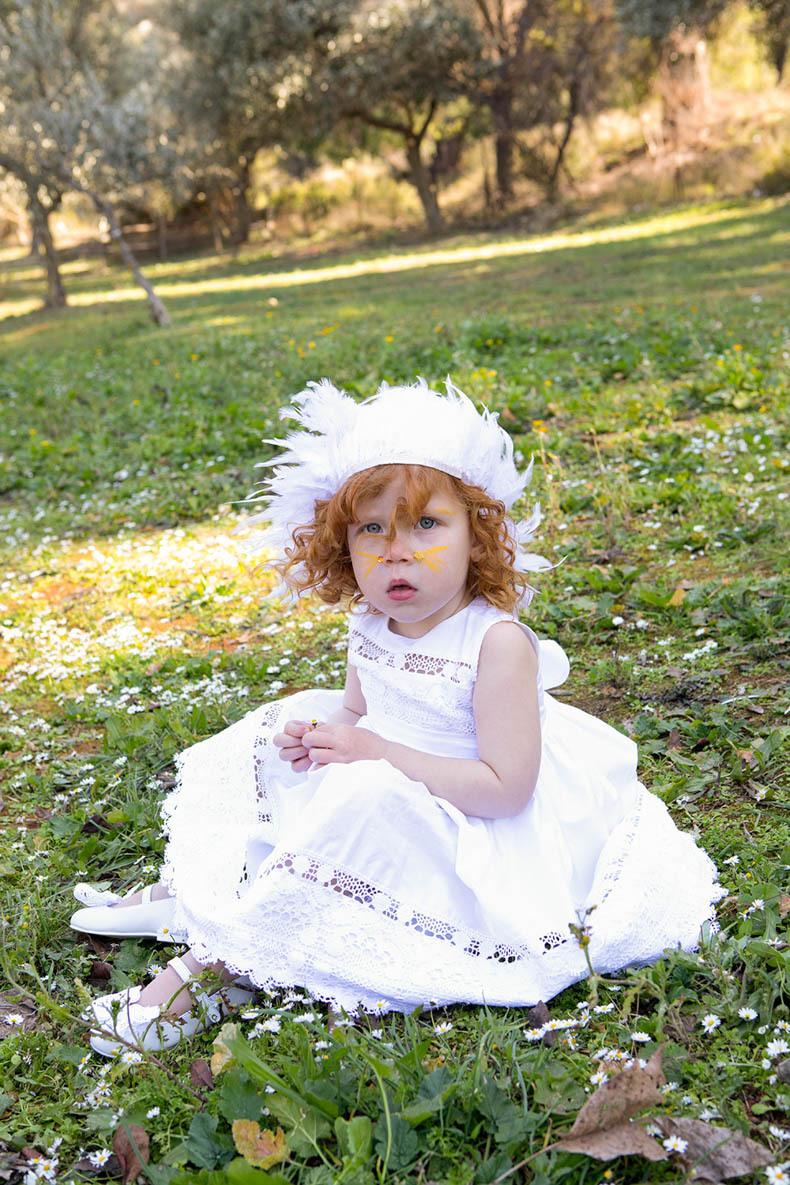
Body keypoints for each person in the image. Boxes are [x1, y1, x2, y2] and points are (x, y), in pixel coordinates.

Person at [75, 378, 723, 1057]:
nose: (397, 550)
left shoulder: (495, 645)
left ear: (478, 536)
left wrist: (372, 754)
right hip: (380, 781)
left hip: (470, 820)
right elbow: (358, 711)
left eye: (426, 525)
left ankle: (219, 964)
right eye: (372, 529)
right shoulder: (371, 625)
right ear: (343, 545)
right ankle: (206, 894)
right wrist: (323, 739)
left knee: (362, 798)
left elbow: (506, 789)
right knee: (273, 743)